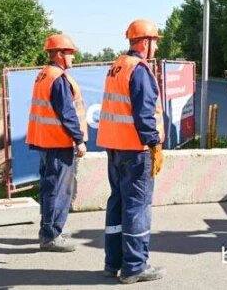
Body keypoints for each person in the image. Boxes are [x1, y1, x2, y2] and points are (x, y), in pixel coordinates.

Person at [96, 19, 165, 284]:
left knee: (118, 203)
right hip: (135, 150)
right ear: (145, 42)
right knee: (137, 207)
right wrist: (154, 144)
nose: (156, 48)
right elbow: (145, 113)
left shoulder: (117, 66)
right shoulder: (139, 69)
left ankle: (112, 263)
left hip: (114, 147)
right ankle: (135, 266)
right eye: (155, 42)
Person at [26, 33, 88, 252]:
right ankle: (51, 235)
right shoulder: (58, 78)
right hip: (58, 143)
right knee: (58, 191)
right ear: (60, 54)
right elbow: (67, 113)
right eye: (70, 53)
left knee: (49, 188)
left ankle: (51, 230)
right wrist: (79, 140)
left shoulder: (44, 74)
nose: (73, 57)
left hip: (45, 142)